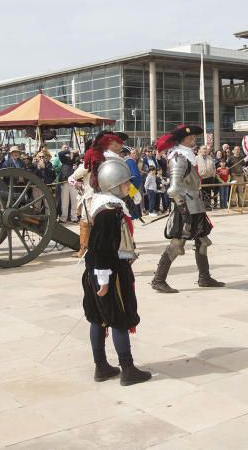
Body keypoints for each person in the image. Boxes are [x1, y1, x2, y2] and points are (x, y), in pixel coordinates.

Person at [82, 159, 151, 386]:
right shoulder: (109, 211)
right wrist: (103, 279)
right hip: (109, 272)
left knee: (99, 319)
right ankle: (128, 370)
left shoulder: (104, 204)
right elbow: (100, 247)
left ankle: (101, 367)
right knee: (118, 318)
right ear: (114, 185)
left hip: (101, 269)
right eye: (124, 182)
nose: (128, 185)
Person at [151, 124, 224, 293]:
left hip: (195, 203)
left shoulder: (187, 154)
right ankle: (158, 280)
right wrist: (184, 211)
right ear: (184, 138)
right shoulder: (178, 156)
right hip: (185, 206)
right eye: (192, 137)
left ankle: (204, 277)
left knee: (202, 241)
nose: (194, 139)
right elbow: (174, 189)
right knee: (177, 244)